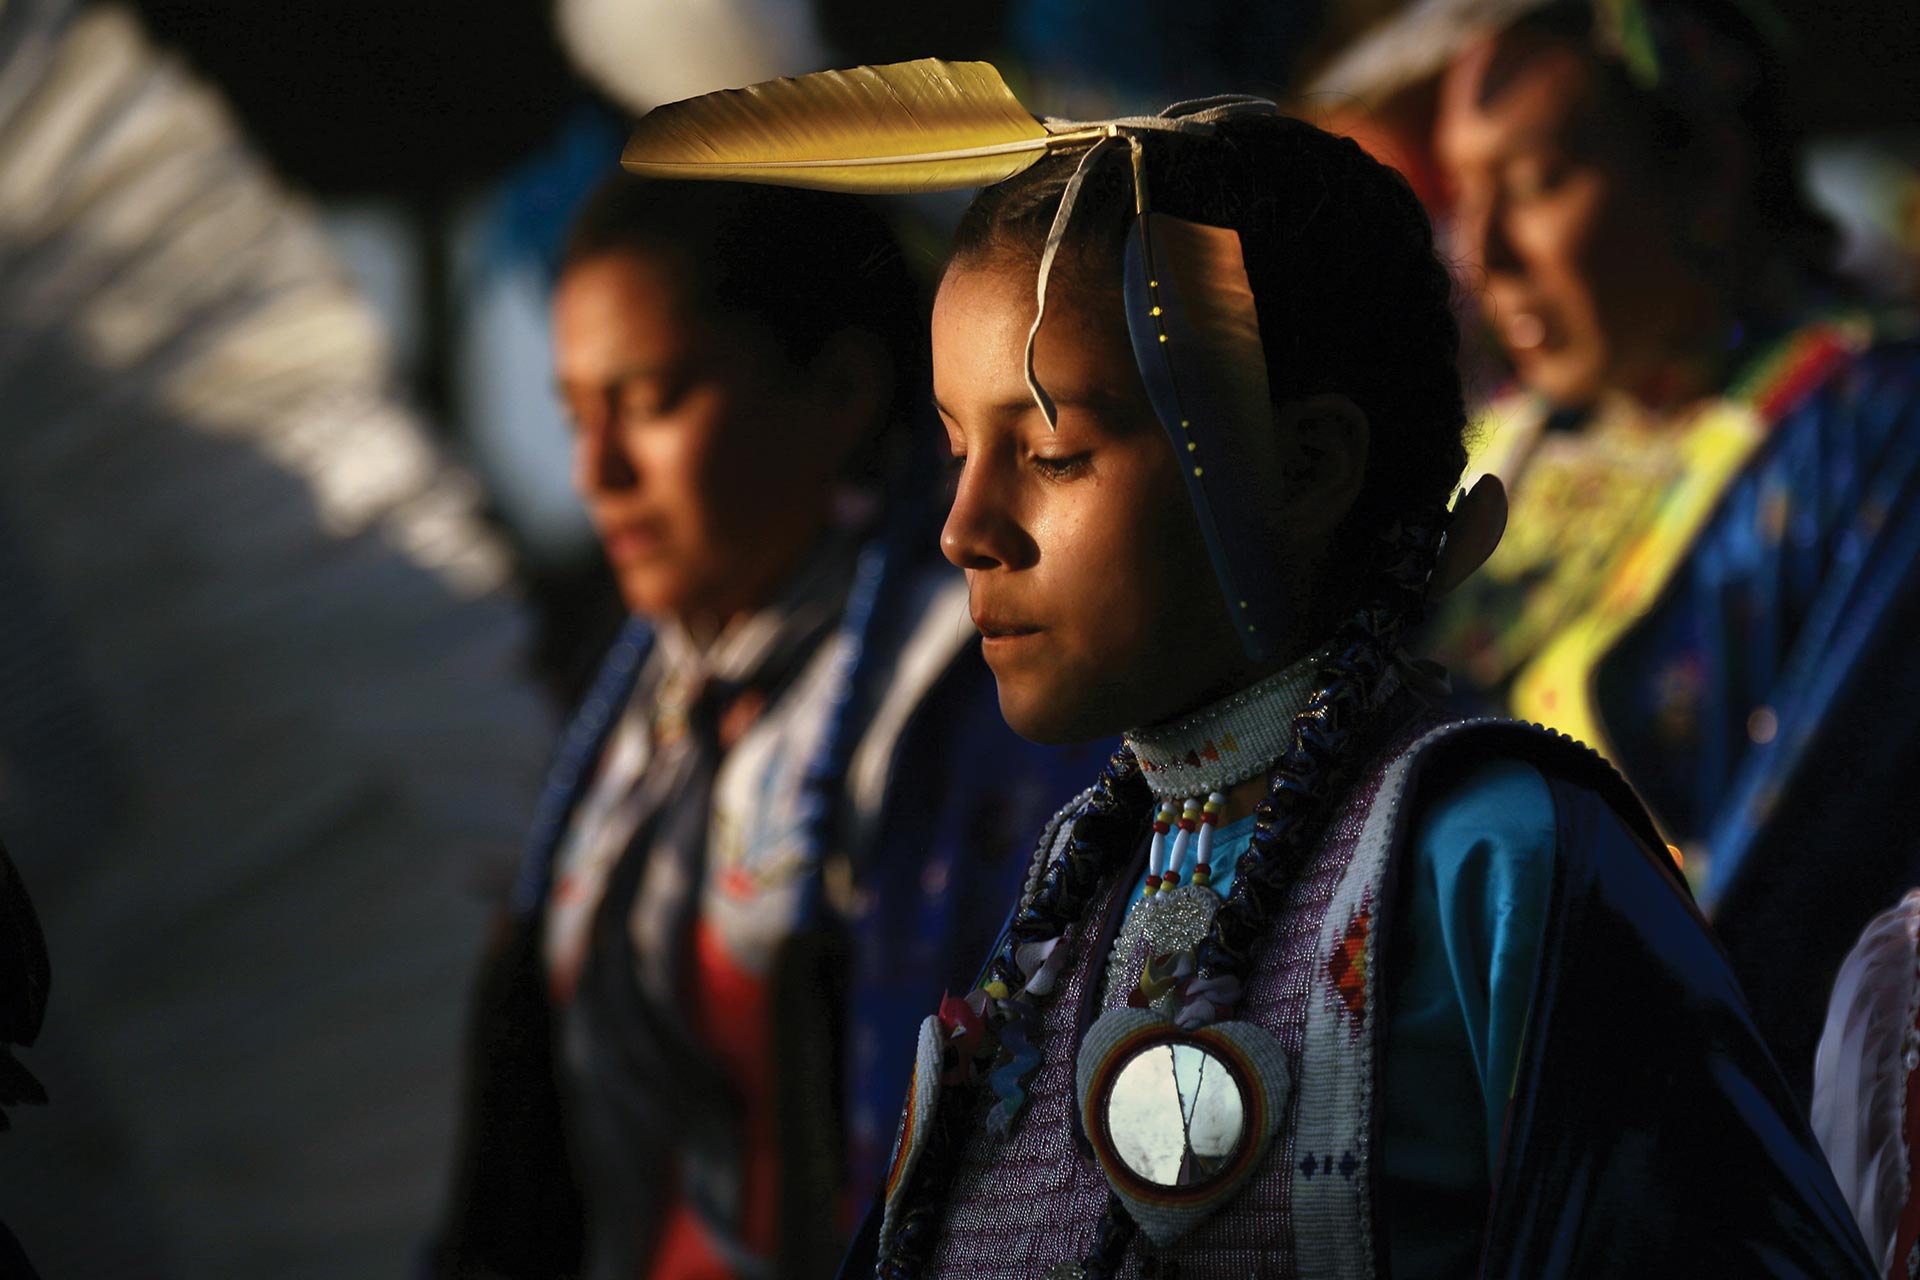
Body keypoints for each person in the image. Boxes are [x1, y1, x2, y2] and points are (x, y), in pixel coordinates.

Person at [617, 59, 1873, 1278]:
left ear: (1306, 469)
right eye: (955, 448)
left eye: (1051, 454)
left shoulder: (1496, 860)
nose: (964, 527)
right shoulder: (1076, 878)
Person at [434, 176, 1106, 1280]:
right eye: (574, 414)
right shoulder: (637, 704)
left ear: (840, 389)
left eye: (651, 401)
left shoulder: (978, 695)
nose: (596, 472)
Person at [1308, 0, 1920, 1101]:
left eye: (1537, 184)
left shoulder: (1863, 434)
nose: (1482, 252)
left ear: (1709, 177)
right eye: (1461, 193)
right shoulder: (1504, 441)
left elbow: (1802, 875)